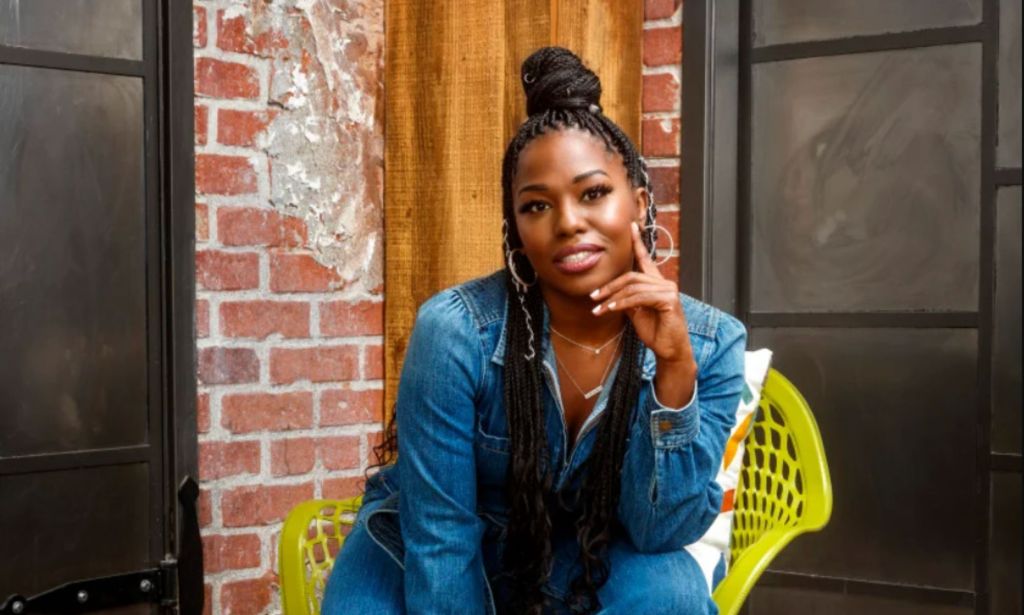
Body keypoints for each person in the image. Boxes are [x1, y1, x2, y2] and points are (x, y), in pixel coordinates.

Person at [322, 46, 747, 615]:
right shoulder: (455, 331)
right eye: (537, 206)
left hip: (582, 549)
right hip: (432, 543)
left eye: (593, 193)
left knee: (670, 592)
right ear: (517, 230)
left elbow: (657, 530)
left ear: (639, 203)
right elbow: (442, 533)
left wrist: (674, 371)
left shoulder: (712, 344)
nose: (569, 222)